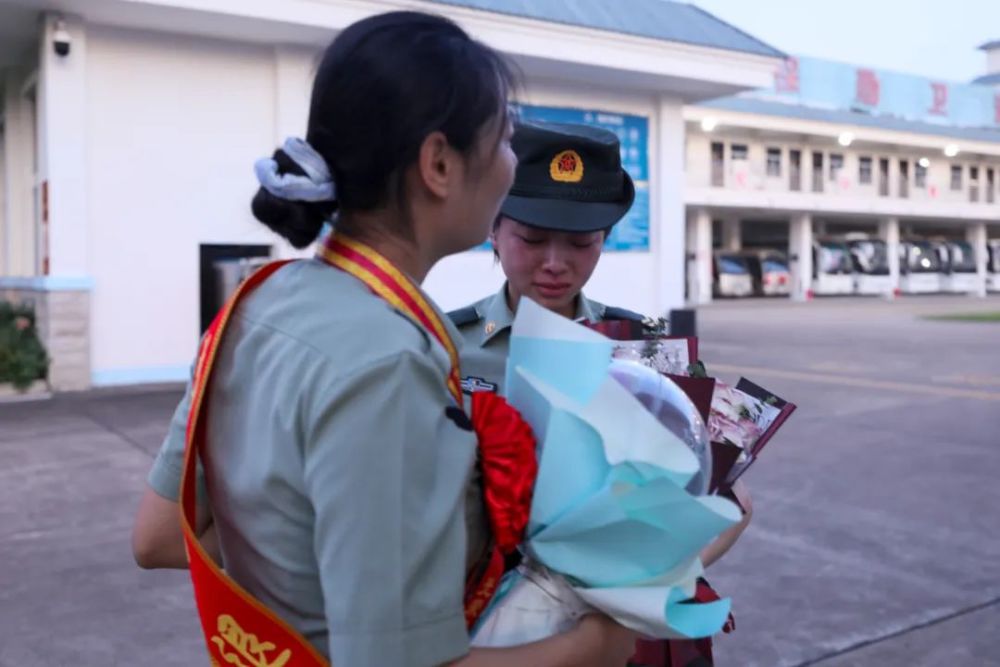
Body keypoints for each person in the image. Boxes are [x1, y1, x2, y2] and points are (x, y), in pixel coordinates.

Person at [131, 13, 638, 667]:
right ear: (439, 164)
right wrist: (590, 645)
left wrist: (309, 554)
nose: (513, 166)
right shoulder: (390, 364)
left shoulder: (259, 302)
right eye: (504, 139)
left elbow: (160, 533)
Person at [447, 120, 753, 666]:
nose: (556, 263)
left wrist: (639, 592)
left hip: (620, 637)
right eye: (533, 239)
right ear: (493, 230)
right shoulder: (446, 345)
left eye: (582, 243)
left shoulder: (648, 352)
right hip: (484, 625)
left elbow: (724, 501)